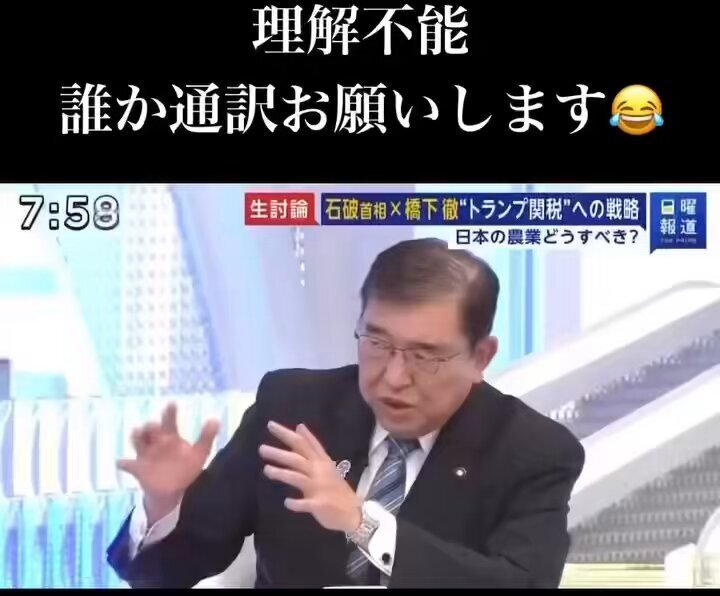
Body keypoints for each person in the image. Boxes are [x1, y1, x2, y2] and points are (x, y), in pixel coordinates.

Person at [106, 238, 585, 588]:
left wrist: (362, 522)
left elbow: (521, 583)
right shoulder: (293, 408)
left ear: (481, 356)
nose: (393, 377)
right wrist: (164, 504)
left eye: (424, 355)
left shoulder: (533, 451)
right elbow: (171, 571)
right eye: (376, 342)